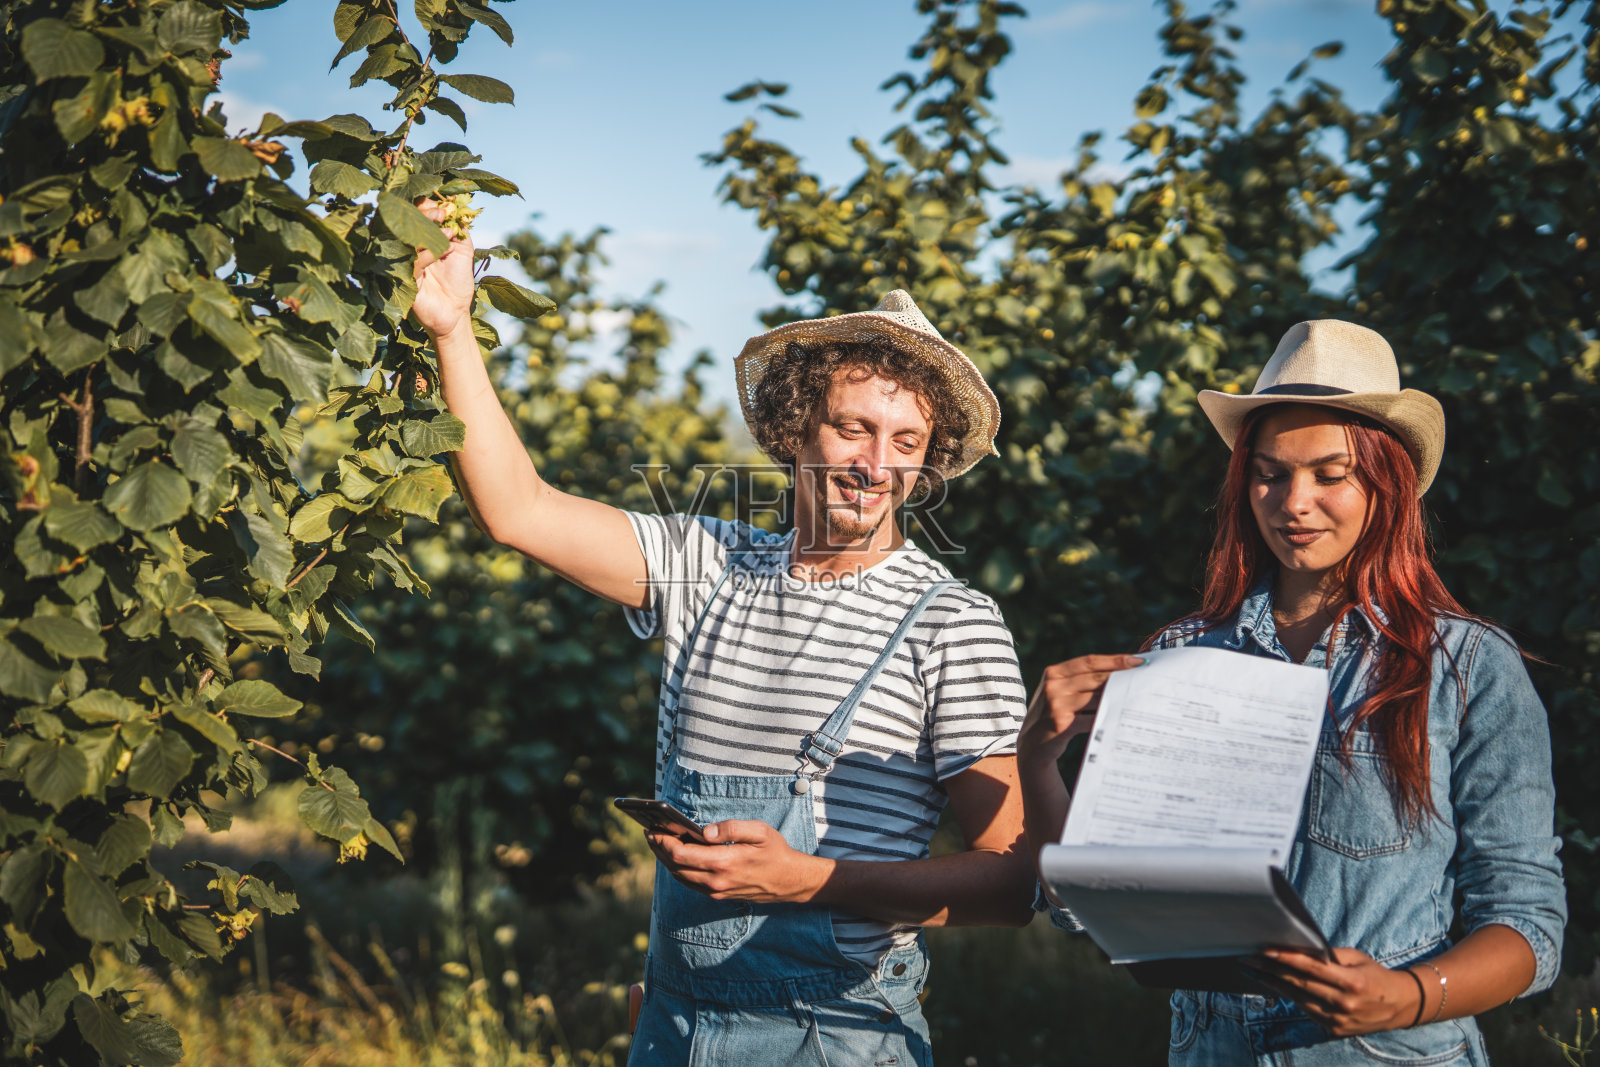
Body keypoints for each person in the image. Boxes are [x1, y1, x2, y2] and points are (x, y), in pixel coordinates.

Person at [411, 213, 1035, 1066]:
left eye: (907, 442)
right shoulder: (707, 564)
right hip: (677, 1023)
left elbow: (1010, 877)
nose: (874, 464)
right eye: (852, 427)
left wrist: (811, 880)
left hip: (838, 1033)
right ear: (794, 428)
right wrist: (452, 330)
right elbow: (520, 511)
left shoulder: (949, 623)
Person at [1018, 320, 1566, 1065]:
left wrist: (1409, 993)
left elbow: (1528, 924)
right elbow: (1089, 910)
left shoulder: (1470, 668)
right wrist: (1039, 762)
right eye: (1270, 472)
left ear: (1387, 479)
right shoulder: (1178, 658)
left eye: (1329, 473)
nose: (1292, 502)